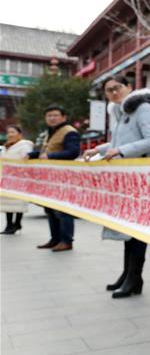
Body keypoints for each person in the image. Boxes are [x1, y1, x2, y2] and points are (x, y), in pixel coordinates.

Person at [83, 76, 150, 298]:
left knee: (138, 231)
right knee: (129, 230)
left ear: (129, 87)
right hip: (127, 181)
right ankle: (128, 274)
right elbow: (118, 145)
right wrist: (98, 149)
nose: (114, 93)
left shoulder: (143, 107)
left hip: (141, 180)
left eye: (118, 88)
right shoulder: (120, 112)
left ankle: (134, 277)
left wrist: (121, 151)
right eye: (109, 91)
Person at [28, 105, 81, 252]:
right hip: (50, 178)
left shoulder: (70, 132)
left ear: (63, 117)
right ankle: (55, 239)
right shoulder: (51, 132)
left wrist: (50, 156)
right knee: (50, 210)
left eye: (55, 115)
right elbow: (48, 150)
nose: (52, 118)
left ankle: (66, 241)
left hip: (64, 178)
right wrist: (31, 154)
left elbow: (73, 152)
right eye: (49, 115)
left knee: (63, 210)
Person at [0, 125, 35, 234]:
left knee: (19, 202)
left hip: (19, 178)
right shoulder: (6, 147)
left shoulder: (24, 145)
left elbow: (26, 158)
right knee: (7, 203)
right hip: (7, 179)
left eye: (13, 132)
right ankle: (9, 225)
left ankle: (17, 223)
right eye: (8, 132)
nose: (10, 134)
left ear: (19, 134)